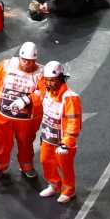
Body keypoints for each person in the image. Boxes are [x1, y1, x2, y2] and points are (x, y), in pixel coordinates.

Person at [0, 42, 43, 183]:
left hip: (26, 121)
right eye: (25, 60)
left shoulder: (41, 74)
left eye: (31, 61)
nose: (28, 64)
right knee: (0, 142)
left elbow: (44, 93)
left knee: (26, 144)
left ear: (35, 59)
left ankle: (26, 166)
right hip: (2, 117)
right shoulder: (6, 66)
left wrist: (26, 99)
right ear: (20, 57)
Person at [37, 61, 82, 204]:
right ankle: (54, 185)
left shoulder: (70, 98)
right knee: (45, 161)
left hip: (63, 143)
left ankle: (69, 190)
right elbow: (36, 92)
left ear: (61, 79)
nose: (49, 83)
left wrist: (66, 143)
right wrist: (24, 100)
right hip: (48, 138)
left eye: (52, 80)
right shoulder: (46, 91)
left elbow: (73, 122)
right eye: (47, 80)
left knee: (65, 168)